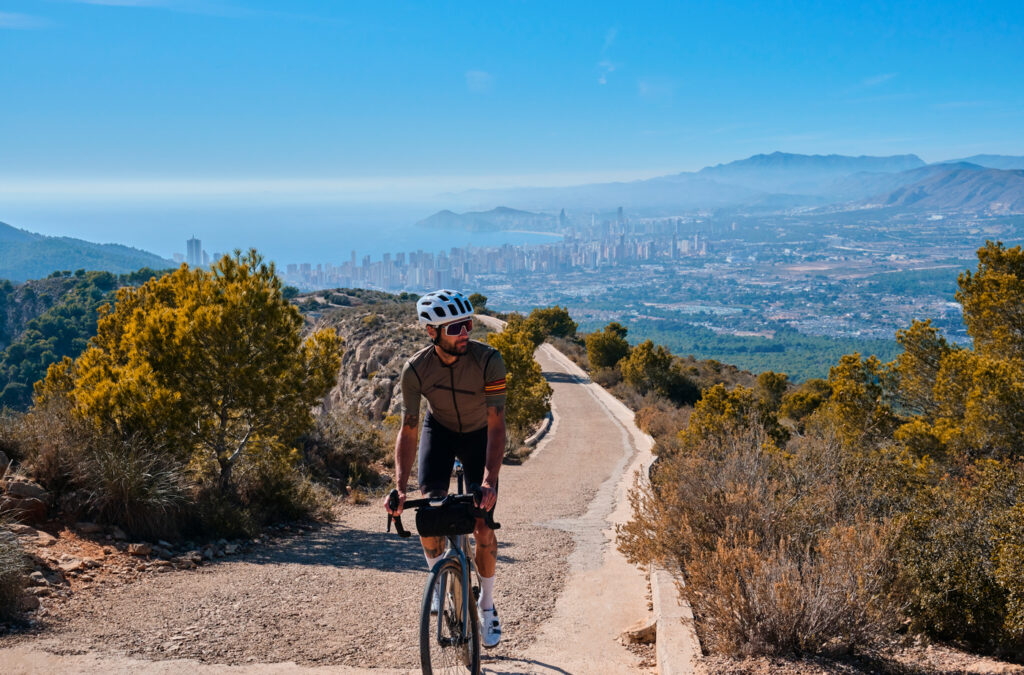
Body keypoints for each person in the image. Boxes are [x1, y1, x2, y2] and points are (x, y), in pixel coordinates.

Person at [384, 289, 507, 648]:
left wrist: (488, 481)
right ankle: (438, 576)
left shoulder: (489, 361)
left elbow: (497, 426)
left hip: (479, 436)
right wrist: (399, 487)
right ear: (432, 332)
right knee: (429, 509)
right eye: (456, 327)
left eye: (468, 323)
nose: (466, 332)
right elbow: (408, 428)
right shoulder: (416, 369)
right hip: (438, 431)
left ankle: (486, 605)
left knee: (482, 521)